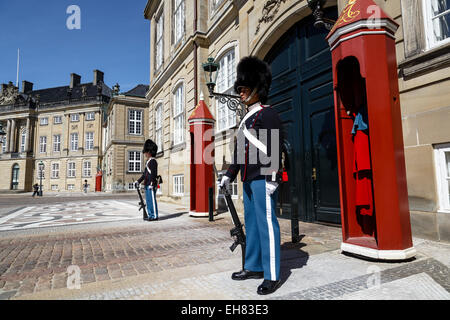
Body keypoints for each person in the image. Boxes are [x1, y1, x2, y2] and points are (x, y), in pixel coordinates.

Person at [219, 56, 283, 295]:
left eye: (245, 87)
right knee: (253, 225)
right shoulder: (246, 118)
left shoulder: (268, 115)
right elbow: (238, 153)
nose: (241, 91)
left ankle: (272, 273)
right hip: (247, 178)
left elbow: (274, 148)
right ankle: (254, 265)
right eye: (240, 87)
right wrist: (228, 175)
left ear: (258, 87)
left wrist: (272, 178)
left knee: (267, 225)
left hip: (262, 179)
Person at [135, 139, 159, 221]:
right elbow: (144, 174)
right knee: (148, 201)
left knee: (152, 200)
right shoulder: (148, 162)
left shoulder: (153, 161)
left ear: (149, 152)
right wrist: (138, 181)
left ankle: (154, 215)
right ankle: (150, 215)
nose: (144, 153)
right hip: (147, 184)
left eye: (145, 152)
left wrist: (152, 183)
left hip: (151, 185)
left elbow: (153, 174)